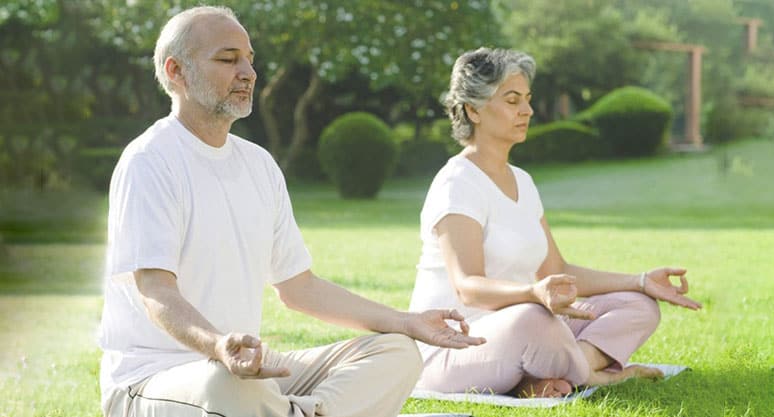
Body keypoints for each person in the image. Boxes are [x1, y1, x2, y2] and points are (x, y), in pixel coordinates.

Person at [97, 6, 484, 417]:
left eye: (250, 60)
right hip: (155, 378)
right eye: (228, 59)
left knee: (397, 352)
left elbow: (300, 288)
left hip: (245, 370)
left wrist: (406, 321)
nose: (248, 73)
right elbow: (156, 292)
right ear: (176, 71)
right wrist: (218, 346)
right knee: (227, 387)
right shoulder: (150, 160)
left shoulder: (259, 164)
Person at [408, 47, 703, 398]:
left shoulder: (523, 181)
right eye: (513, 100)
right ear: (473, 110)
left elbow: (556, 270)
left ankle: (556, 371)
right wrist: (532, 294)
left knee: (636, 305)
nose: (527, 110)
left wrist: (640, 282)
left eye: (527, 99)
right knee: (534, 318)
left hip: (525, 328)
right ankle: (596, 376)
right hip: (455, 346)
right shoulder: (458, 183)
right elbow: (467, 287)